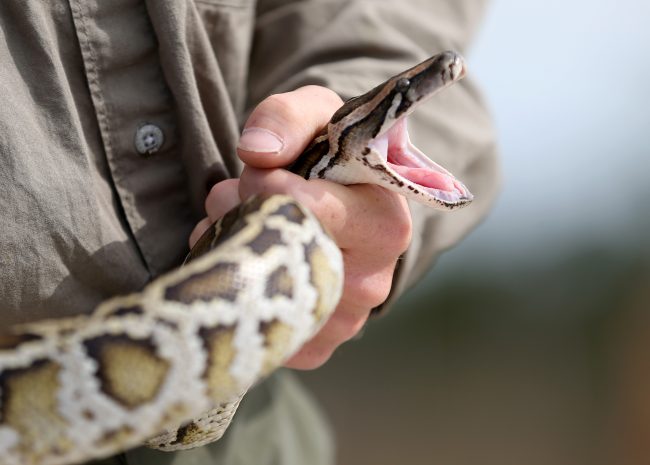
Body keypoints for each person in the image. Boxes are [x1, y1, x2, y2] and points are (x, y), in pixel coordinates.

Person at [0, 0, 499, 464]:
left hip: (251, 437)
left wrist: (363, 229)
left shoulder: (341, 152)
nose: (429, 84)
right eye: (406, 96)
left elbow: (390, 24)